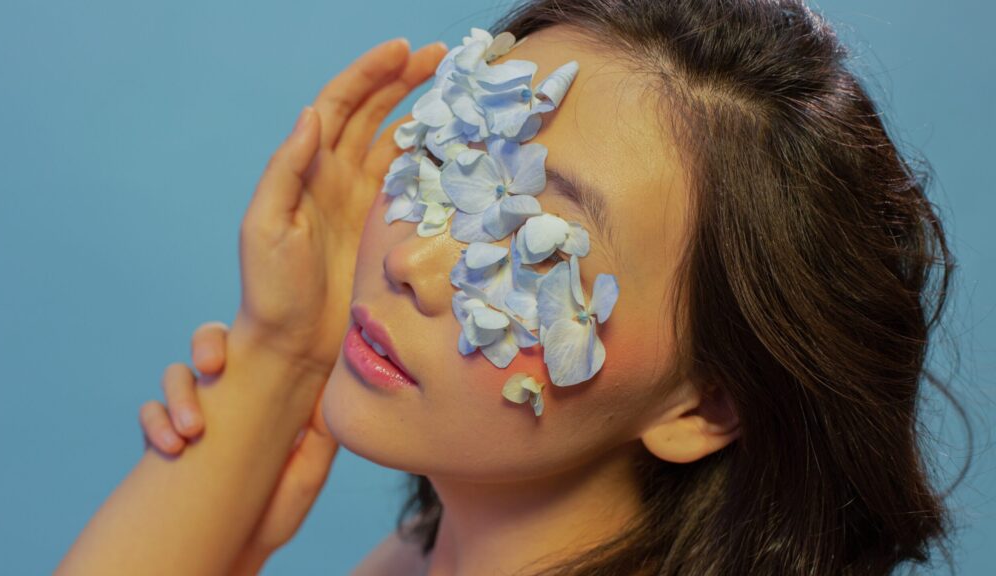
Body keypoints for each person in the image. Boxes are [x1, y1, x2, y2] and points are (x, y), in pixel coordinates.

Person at [56, 1, 963, 575]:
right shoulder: (429, 556)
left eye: (536, 247)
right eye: (453, 165)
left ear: (706, 405)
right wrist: (280, 353)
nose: (413, 263)